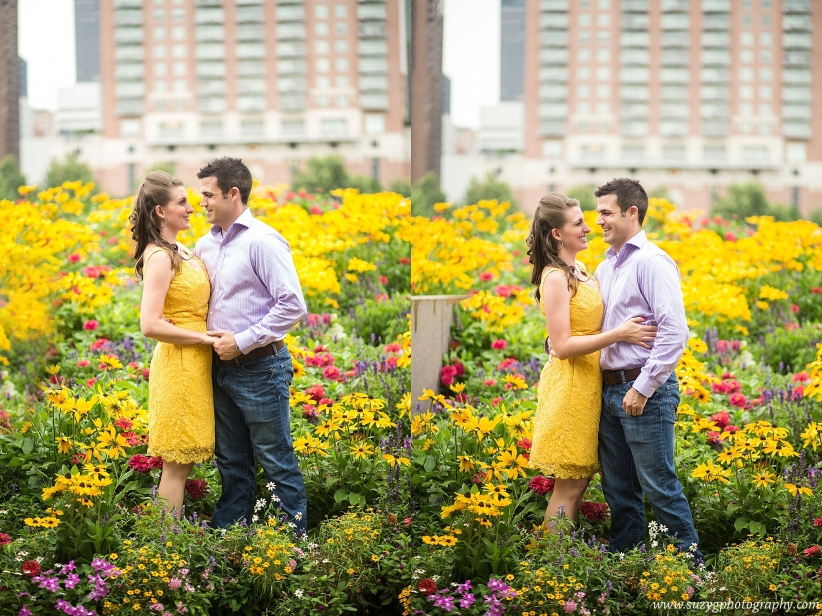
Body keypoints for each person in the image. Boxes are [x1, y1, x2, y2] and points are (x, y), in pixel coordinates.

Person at [526, 192, 657, 530]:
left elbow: (569, 333)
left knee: (579, 482)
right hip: (571, 389)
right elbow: (563, 345)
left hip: (589, 385)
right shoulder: (555, 277)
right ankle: (550, 565)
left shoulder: (579, 269)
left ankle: (556, 562)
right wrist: (620, 334)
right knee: (570, 484)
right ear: (557, 234)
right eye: (578, 223)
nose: (589, 227)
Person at [194, 157, 308, 534]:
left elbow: (292, 304)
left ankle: (293, 550)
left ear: (233, 193)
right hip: (218, 369)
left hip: (260, 368)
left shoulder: (262, 240)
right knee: (231, 463)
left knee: (276, 462)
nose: (202, 203)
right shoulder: (204, 245)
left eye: (208, 195)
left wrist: (240, 342)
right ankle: (229, 545)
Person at [593, 177, 702, 559]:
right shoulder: (605, 268)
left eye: (606, 213)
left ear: (631, 212)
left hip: (643, 390)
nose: (599, 221)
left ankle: (692, 572)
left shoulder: (651, 262)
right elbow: (594, 328)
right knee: (619, 490)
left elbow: (674, 330)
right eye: (598, 213)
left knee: (659, 487)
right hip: (607, 390)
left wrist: (643, 387)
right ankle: (627, 568)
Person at [130, 170, 217, 517]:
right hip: (180, 365)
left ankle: (168, 547)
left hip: (193, 363)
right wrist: (201, 338)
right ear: (160, 212)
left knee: (185, 462)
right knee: (177, 465)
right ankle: (165, 550)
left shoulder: (179, 249)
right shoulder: (161, 257)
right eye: (181, 202)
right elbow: (149, 324)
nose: (191, 208)